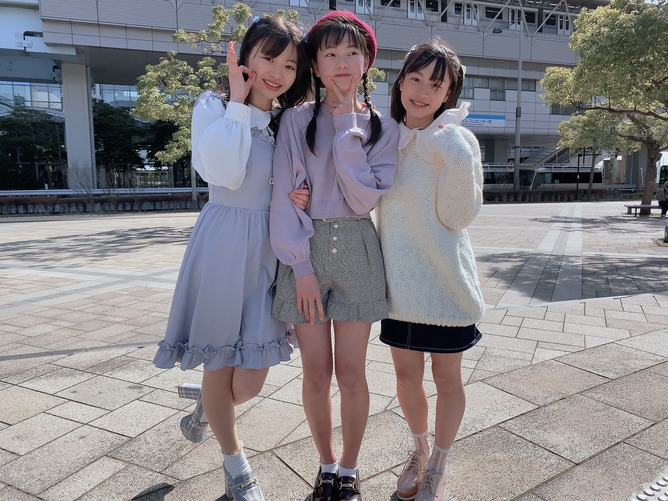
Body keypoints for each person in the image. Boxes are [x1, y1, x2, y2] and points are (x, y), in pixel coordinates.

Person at [153, 14, 311, 501]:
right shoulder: (214, 107)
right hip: (224, 245)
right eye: (268, 58)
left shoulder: (287, 122)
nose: (277, 73)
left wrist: (299, 196)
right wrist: (240, 104)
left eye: (289, 65)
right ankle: (236, 466)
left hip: (269, 251)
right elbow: (223, 171)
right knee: (220, 364)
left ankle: (207, 405)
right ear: (245, 58)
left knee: (251, 381)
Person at [269, 11, 399, 501]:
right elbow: (285, 196)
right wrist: (301, 268)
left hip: (359, 251)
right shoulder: (295, 120)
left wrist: (347, 124)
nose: (342, 63)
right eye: (330, 53)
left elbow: (363, 200)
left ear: (366, 62)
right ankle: (325, 464)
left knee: (351, 373)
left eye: (352, 53)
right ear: (316, 65)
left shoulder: (383, 127)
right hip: (306, 254)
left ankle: (349, 469)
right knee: (317, 373)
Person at [376, 40, 485, 501]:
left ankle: (439, 462)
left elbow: (458, 217)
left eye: (435, 85)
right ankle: (419, 452)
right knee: (406, 378)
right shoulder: (384, 137)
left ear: (448, 93)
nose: (422, 91)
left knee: (446, 378)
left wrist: (453, 154)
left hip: (445, 282)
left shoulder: (459, 140)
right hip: (400, 285)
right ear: (401, 82)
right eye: (415, 79)